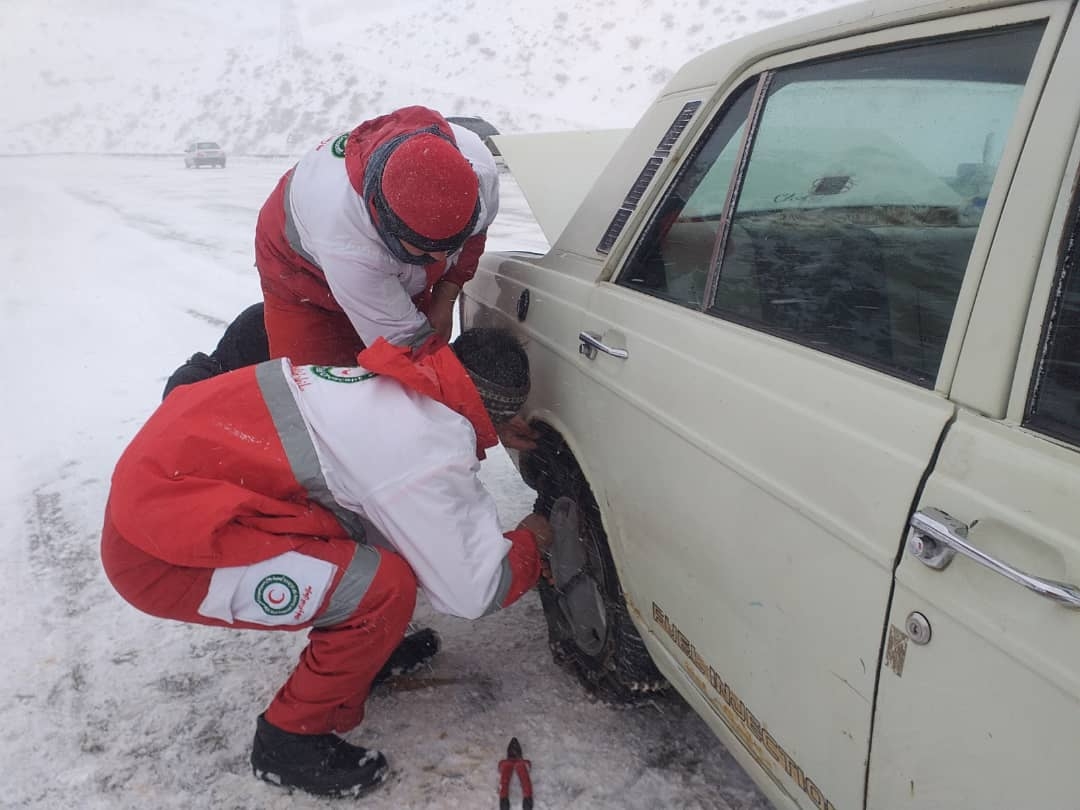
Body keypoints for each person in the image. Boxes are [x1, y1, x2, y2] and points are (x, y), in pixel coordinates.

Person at [101, 327, 553, 798]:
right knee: (383, 588)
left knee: (403, 536)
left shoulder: (397, 387)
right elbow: (473, 588)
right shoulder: (426, 450)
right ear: (495, 409)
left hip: (168, 495)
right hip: (160, 554)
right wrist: (532, 540)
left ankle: (364, 655)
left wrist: (492, 423)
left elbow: (394, 493)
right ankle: (289, 740)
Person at [255, 105, 501, 365]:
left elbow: (475, 234)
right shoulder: (347, 240)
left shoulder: (478, 168)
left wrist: (445, 295)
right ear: (389, 229)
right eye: (425, 249)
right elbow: (408, 347)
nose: (441, 257)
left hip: (373, 258)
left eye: (452, 245)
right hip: (300, 273)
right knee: (322, 388)